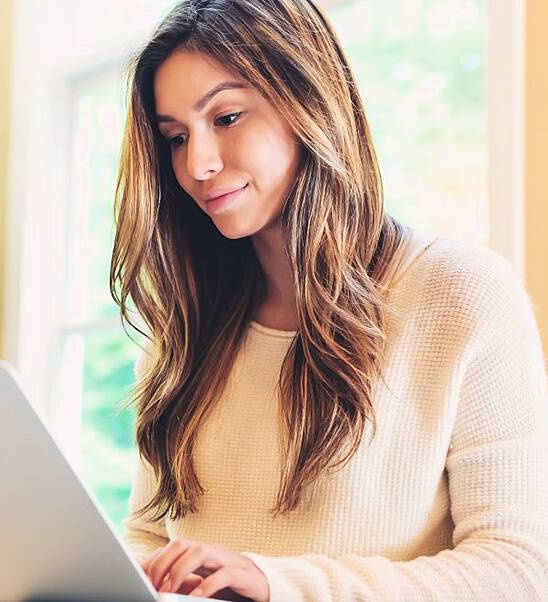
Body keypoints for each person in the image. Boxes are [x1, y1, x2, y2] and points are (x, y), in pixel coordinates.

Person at [109, 0, 548, 600]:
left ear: (310, 104)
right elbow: (150, 538)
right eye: (176, 137)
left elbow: (519, 571)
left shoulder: (463, 295)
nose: (198, 164)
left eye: (228, 117)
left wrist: (274, 581)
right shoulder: (182, 336)